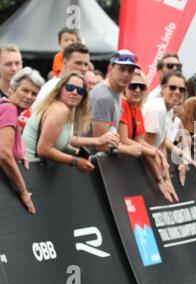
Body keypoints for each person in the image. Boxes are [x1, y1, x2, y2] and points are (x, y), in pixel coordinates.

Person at [22, 71, 119, 172]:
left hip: (36, 170)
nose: (74, 92)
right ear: (60, 89)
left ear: (83, 97)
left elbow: (66, 138)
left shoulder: (67, 110)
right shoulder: (59, 109)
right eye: (69, 88)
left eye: (80, 91)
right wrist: (75, 161)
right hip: (31, 169)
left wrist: (96, 141)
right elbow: (43, 150)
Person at [119, 70, 178, 202]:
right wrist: (154, 152)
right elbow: (124, 140)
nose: (138, 90)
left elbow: (140, 142)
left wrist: (163, 178)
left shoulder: (137, 108)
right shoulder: (122, 104)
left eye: (142, 87)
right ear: (125, 87)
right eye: (133, 86)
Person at [0, 67, 45, 214]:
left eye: (34, 94)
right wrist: (23, 191)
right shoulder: (9, 109)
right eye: (25, 90)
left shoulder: (6, 107)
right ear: (12, 89)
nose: (29, 96)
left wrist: (19, 154)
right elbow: (4, 153)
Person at [90, 49, 142, 157]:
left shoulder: (117, 93)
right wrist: (128, 149)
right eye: (121, 69)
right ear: (110, 68)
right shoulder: (103, 96)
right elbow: (100, 145)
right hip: (87, 163)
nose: (126, 74)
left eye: (130, 70)